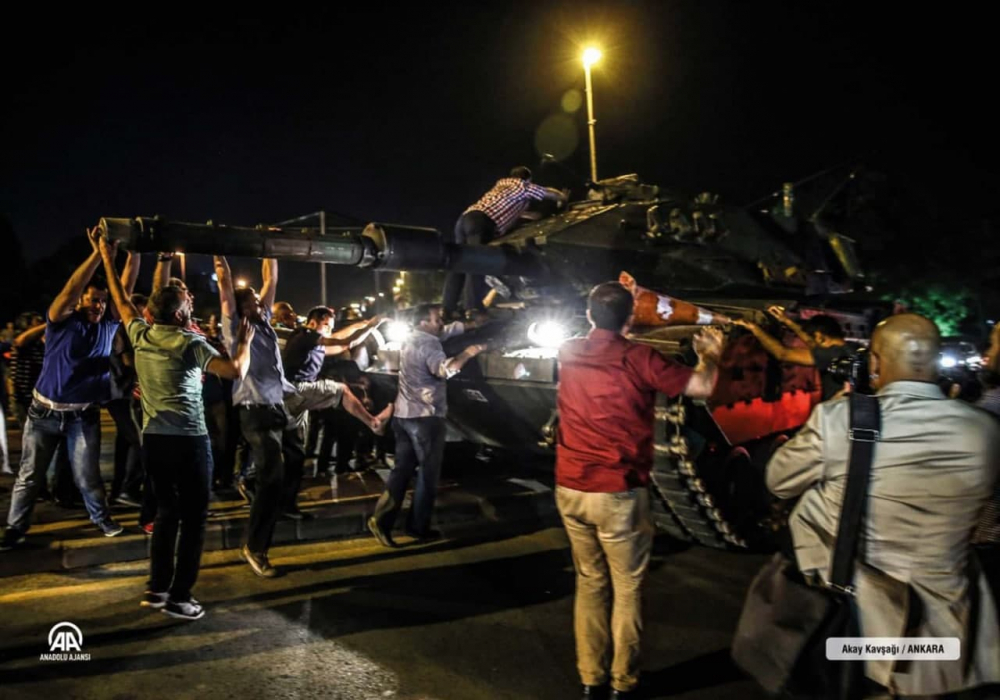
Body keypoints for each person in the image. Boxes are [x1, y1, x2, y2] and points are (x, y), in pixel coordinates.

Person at [767, 313, 1000, 697]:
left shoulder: (842, 420)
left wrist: (838, 409)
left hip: (865, 623)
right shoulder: (986, 431)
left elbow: (778, 480)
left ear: (874, 362)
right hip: (950, 622)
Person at [554, 282, 722, 700]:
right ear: (631, 317)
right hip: (617, 490)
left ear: (589, 316)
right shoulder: (638, 357)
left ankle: (591, 678)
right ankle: (623, 683)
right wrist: (710, 356)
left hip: (569, 487)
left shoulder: (568, 351)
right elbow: (701, 388)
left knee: (590, 582)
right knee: (626, 587)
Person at [99, 236, 253, 620]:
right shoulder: (191, 343)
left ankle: (156, 588)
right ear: (183, 316)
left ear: (150, 314)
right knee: (195, 517)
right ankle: (181, 596)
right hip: (189, 440)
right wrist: (245, 344)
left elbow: (120, 296)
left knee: (167, 512)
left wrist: (106, 255)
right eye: (187, 304)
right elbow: (234, 372)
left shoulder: (141, 334)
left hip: (155, 441)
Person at [1, 228, 137, 550]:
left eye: (103, 302)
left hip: (82, 417)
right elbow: (71, 288)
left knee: (87, 477)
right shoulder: (61, 320)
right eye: (93, 301)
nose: (99, 307)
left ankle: (102, 520)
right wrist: (98, 255)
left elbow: (125, 288)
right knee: (29, 476)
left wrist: (133, 255)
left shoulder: (107, 325)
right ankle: (15, 528)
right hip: (43, 413)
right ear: (81, 302)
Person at [368, 304, 486, 547]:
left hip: (403, 416)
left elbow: (446, 332)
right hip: (425, 418)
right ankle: (418, 527)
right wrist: (469, 352)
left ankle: (381, 519)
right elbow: (445, 369)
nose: (441, 323)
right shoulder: (429, 344)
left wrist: (470, 325)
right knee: (428, 475)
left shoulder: (412, 338)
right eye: (436, 319)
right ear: (423, 322)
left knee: (401, 471)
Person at [279, 305, 388, 515]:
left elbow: (343, 340)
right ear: (315, 322)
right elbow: (342, 341)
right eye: (327, 325)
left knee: (294, 453)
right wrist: (372, 325)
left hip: (292, 397)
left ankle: (282, 501)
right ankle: (373, 422)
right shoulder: (306, 335)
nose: (330, 330)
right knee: (341, 391)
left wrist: (366, 324)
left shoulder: (313, 341)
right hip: (296, 391)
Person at [442, 167, 568, 317]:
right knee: (476, 261)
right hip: (480, 221)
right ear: (527, 179)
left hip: (464, 220)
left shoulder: (503, 190)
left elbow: (529, 215)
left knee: (459, 263)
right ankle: (473, 307)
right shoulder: (520, 185)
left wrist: (541, 215)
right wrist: (562, 198)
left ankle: (447, 308)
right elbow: (549, 193)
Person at [734, 307, 856, 400]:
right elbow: (812, 342)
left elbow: (783, 354)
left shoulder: (832, 355)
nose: (810, 342)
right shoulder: (850, 349)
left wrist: (753, 328)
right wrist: (786, 321)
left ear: (820, 337)